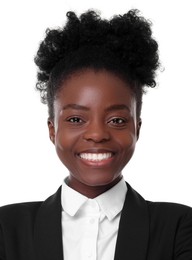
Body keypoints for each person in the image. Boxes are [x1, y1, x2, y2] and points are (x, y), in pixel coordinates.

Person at [0, 9, 192, 260]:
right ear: (52, 130)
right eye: (76, 119)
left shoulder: (178, 227)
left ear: (137, 129)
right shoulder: (7, 228)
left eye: (117, 120)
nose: (98, 134)